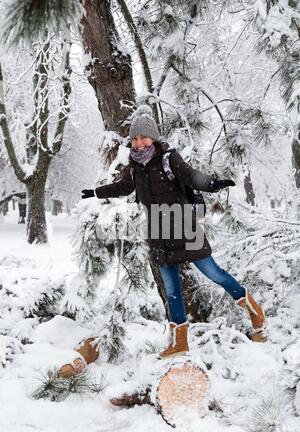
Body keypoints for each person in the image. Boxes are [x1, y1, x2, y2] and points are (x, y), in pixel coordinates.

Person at [82, 105, 267, 359]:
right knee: (172, 290)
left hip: (184, 226)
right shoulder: (135, 167)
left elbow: (192, 177)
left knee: (215, 273)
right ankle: (179, 343)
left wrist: (212, 184)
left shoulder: (169, 159)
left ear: (154, 138)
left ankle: (256, 313)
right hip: (158, 231)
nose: (138, 142)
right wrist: (96, 192)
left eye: (143, 137)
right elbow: (123, 188)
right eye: (134, 138)